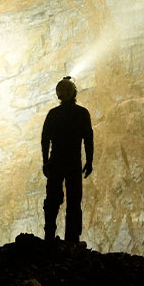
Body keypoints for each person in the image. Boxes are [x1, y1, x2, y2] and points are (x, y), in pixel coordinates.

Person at [41, 76, 94, 243]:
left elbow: (45, 140)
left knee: (52, 200)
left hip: (56, 161)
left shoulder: (53, 114)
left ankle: (49, 236)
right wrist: (89, 161)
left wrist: (45, 162)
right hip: (73, 163)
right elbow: (88, 139)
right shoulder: (82, 114)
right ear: (74, 93)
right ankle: (72, 240)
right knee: (73, 201)